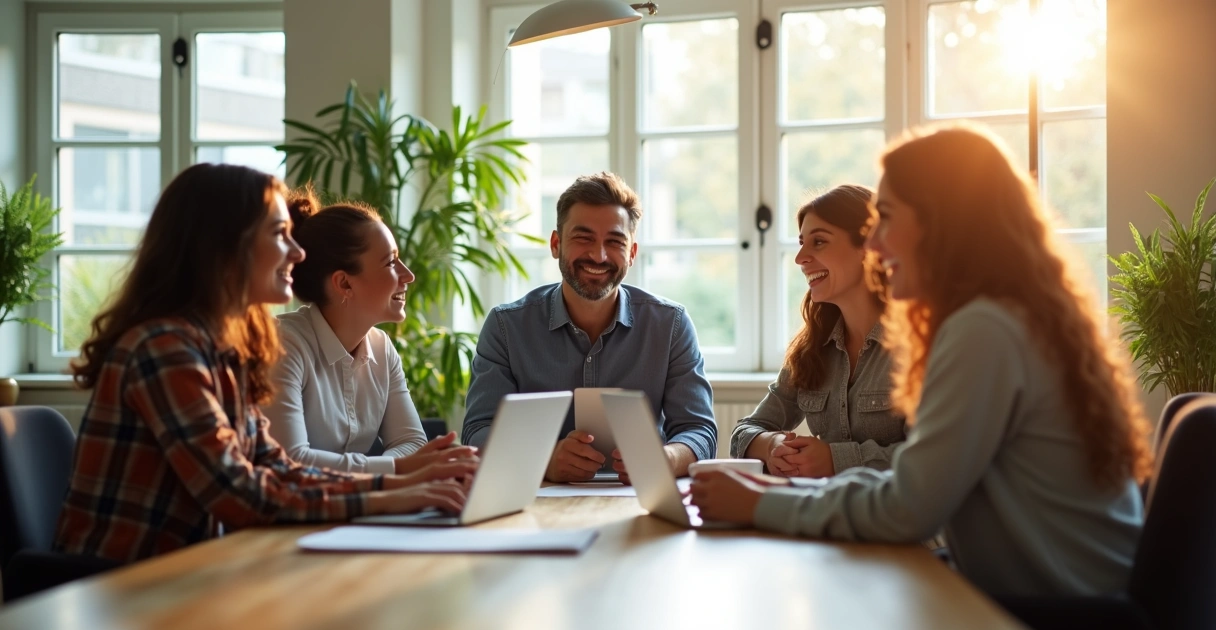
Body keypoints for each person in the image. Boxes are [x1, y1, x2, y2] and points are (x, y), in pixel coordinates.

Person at [690, 124, 1153, 597]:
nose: (874, 246)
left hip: (1060, 616)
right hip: (1040, 591)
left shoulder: (984, 330)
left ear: (941, 220)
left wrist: (761, 503)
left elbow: (907, 507)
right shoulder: (1007, 316)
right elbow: (915, 492)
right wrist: (774, 488)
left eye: (886, 218)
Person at [55, 164, 474, 564]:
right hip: (119, 587)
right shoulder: (164, 349)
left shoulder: (223, 349)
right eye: (279, 234)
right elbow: (238, 491)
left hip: (192, 571)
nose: (296, 251)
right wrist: (392, 492)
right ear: (225, 248)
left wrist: (402, 485)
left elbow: (277, 469)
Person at [462, 172, 716, 484]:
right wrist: (544, 460)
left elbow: (699, 431)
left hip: (640, 501)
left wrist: (665, 458)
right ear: (556, 244)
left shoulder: (671, 324)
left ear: (632, 254)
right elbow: (477, 432)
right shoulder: (505, 327)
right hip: (535, 499)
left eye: (615, 241)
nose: (599, 255)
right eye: (583, 238)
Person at [263, 189, 477, 475]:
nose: (408, 275)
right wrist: (398, 469)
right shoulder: (283, 344)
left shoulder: (381, 347)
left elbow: (411, 441)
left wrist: (398, 469)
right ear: (344, 284)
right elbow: (291, 461)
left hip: (356, 509)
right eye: (390, 262)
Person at [731, 185, 905, 477]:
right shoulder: (811, 348)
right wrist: (773, 445)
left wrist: (835, 459)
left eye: (819, 242)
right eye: (801, 243)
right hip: (826, 512)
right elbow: (743, 434)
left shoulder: (919, 345)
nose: (800, 258)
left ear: (869, 247)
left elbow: (932, 459)